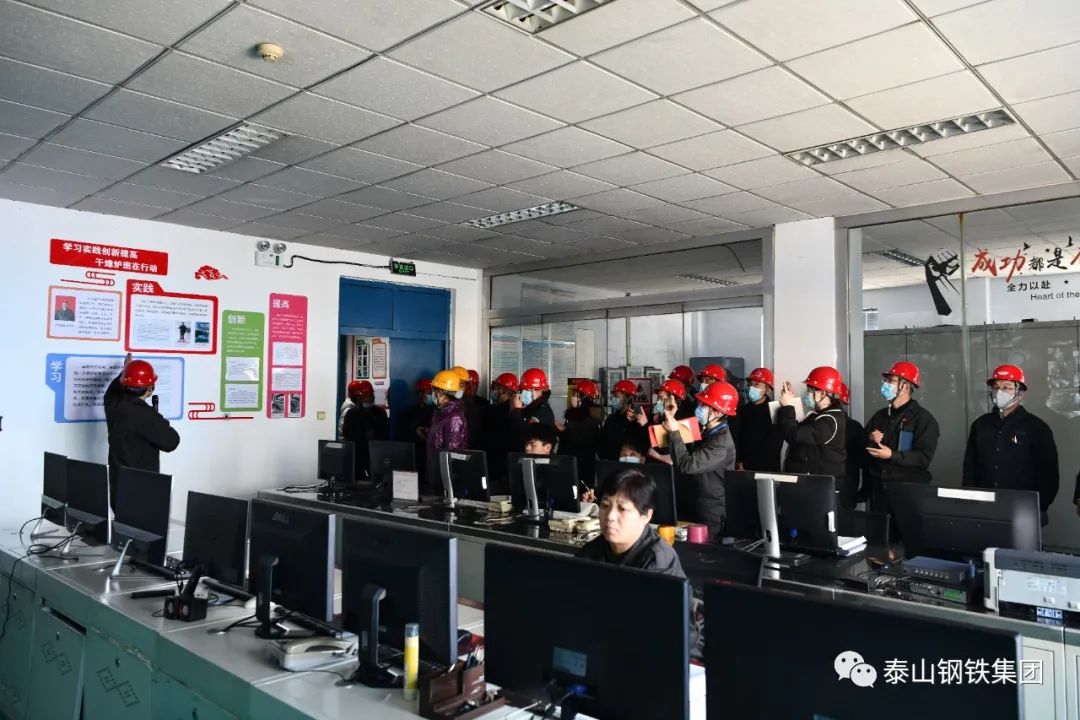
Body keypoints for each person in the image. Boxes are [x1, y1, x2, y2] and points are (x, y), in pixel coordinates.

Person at [963, 364, 1058, 525]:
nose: (999, 392)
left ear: (1020, 393)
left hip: (1022, 510)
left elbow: (1048, 475)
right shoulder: (980, 425)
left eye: (1006, 387)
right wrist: (971, 501)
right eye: (996, 387)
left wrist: (1039, 507)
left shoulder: (1037, 428)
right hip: (985, 509)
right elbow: (969, 468)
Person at [577, 467, 685, 578]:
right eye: (605, 505)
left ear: (646, 516)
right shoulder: (592, 550)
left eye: (622, 509)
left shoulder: (658, 563)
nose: (610, 516)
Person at [104, 354, 180, 510]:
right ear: (150, 387)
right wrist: (160, 421)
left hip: (118, 486)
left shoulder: (113, 404)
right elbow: (172, 442)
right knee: (142, 524)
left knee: (122, 522)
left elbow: (113, 390)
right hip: (142, 491)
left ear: (124, 383)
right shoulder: (146, 415)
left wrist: (126, 370)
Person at [666, 381, 738, 540]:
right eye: (700, 402)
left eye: (704, 405)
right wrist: (672, 418)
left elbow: (686, 465)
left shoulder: (720, 444)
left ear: (717, 412)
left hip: (711, 512)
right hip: (695, 501)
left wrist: (675, 432)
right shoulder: (708, 430)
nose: (698, 407)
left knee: (703, 551)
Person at [864, 361, 940, 513]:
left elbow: (923, 457)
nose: (886, 384)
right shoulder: (880, 416)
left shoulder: (923, 419)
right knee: (880, 527)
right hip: (879, 490)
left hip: (907, 490)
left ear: (905, 386)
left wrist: (891, 455)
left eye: (891, 380)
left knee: (905, 528)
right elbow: (863, 447)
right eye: (886, 380)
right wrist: (870, 438)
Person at [777, 366, 846, 483]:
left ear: (823, 393)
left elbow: (794, 435)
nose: (807, 393)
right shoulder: (818, 415)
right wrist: (791, 403)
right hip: (811, 483)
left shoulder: (829, 421)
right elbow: (797, 427)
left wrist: (787, 407)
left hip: (819, 486)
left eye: (810, 390)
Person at [425, 370, 469, 492]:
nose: (430, 394)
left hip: (446, 483)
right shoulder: (440, 412)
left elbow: (452, 454)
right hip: (435, 475)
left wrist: (447, 487)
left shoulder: (454, 417)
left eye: (433, 390)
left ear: (440, 393)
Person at [735, 367, 783, 472]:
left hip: (766, 470)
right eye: (750, 384)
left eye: (757, 385)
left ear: (768, 389)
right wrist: (739, 461)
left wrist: (749, 465)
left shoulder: (775, 410)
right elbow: (739, 438)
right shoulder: (744, 410)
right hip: (742, 468)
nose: (751, 388)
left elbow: (772, 446)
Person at [341, 380, 389, 482]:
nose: (372, 397)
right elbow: (347, 436)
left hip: (376, 458)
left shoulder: (380, 413)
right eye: (368, 395)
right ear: (359, 397)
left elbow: (384, 434)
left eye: (372, 394)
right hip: (358, 459)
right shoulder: (351, 414)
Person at [558, 379, 602, 486]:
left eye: (575, 394)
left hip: (582, 466)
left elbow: (578, 441)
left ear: (583, 397)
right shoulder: (575, 414)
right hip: (571, 463)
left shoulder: (589, 417)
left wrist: (563, 431)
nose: (572, 397)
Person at [484, 372, 519, 488]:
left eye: (496, 388)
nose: (492, 391)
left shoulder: (499, 412)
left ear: (504, 390)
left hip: (498, 465)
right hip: (504, 465)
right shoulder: (513, 410)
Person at [599, 379, 649, 461]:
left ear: (628, 397)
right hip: (610, 464)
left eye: (616, 396)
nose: (613, 399)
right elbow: (602, 442)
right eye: (613, 396)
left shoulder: (638, 419)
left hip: (628, 464)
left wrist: (643, 425)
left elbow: (645, 444)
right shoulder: (611, 419)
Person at [838, 383, 869, 510]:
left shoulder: (853, 428)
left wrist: (865, 491)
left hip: (843, 491)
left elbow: (867, 463)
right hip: (847, 491)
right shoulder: (855, 427)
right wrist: (864, 492)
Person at [511, 368, 556, 449]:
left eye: (526, 390)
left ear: (538, 391)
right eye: (522, 390)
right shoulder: (532, 408)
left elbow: (521, 436)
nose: (522, 394)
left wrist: (516, 411)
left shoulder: (541, 412)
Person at [397, 378, 434, 478]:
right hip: (416, 458)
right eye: (429, 393)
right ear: (420, 394)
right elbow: (403, 437)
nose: (432, 395)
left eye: (433, 392)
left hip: (433, 458)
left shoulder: (438, 412)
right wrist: (416, 433)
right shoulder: (409, 414)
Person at [698, 364, 738, 442]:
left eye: (707, 380)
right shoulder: (698, 399)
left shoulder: (727, 406)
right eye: (702, 381)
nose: (703, 384)